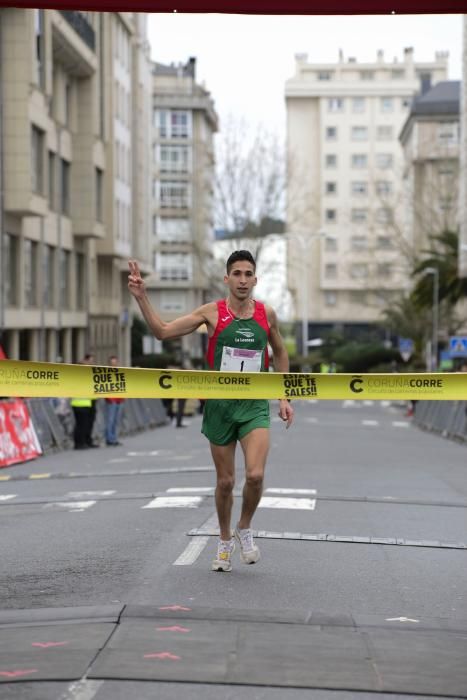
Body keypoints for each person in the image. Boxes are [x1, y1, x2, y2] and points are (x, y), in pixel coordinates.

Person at [128, 250, 294, 572]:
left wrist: (284, 397)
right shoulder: (212, 313)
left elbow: (281, 353)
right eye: (237, 274)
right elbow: (162, 331)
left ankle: (243, 527)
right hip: (219, 407)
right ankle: (223, 539)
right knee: (225, 483)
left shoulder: (266, 315)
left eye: (248, 274)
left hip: (254, 406)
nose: (243, 280)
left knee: (256, 476)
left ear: (256, 279)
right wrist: (142, 297)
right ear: (227, 278)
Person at [105, 355, 125, 446]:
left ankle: (114, 438)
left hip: (119, 400)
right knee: (110, 420)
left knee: (116, 420)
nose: (114, 365)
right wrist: (108, 398)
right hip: (111, 400)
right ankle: (109, 439)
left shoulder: (119, 373)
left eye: (115, 362)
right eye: (112, 363)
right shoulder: (107, 374)